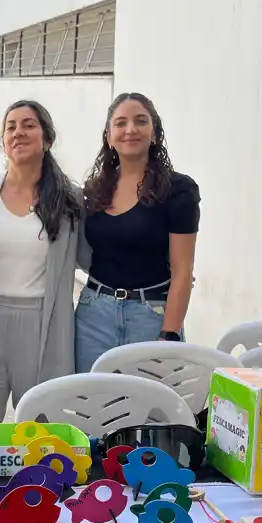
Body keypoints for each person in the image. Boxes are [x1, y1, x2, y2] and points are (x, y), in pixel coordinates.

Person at [0, 100, 82, 424]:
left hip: (44, 321)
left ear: (47, 139)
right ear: (3, 140)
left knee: (41, 427)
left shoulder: (70, 198)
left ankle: (37, 479)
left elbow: (95, 255)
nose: (18, 132)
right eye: (11, 126)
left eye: (28, 125)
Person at [74, 92, 201, 373]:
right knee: (92, 408)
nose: (130, 129)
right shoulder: (94, 191)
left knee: (150, 411)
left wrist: (169, 335)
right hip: (94, 315)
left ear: (154, 133)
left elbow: (183, 272)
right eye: (120, 123)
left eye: (140, 121)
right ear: (109, 136)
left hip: (151, 315)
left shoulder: (178, 190)